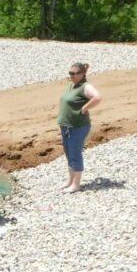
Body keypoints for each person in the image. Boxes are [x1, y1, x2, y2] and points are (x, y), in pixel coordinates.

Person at [57, 62, 102, 193]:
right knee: (69, 153)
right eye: (69, 73)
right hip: (66, 126)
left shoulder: (85, 86)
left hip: (78, 126)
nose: (70, 76)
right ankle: (70, 181)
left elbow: (97, 97)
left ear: (82, 74)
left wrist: (84, 108)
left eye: (73, 74)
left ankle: (76, 184)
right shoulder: (72, 85)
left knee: (75, 153)